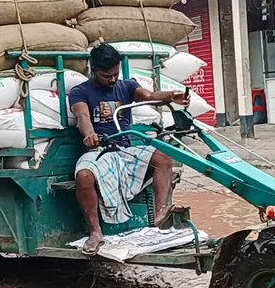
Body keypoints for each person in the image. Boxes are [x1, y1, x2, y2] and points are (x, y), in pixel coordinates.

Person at [70, 44, 189, 255]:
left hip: (125, 149)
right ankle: (96, 232)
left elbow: (148, 95)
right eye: (107, 76)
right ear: (94, 69)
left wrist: (171, 96)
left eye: (115, 74)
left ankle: (162, 211)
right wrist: (89, 135)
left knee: (164, 156)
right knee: (84, 176)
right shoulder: (80, 91)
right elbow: (82, 117)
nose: (112, 80)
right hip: (99, 151)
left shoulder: (126, 86)